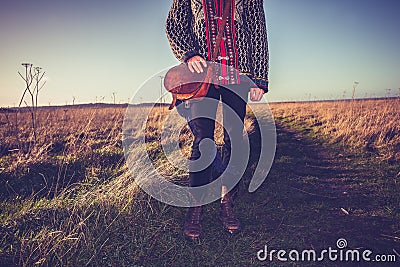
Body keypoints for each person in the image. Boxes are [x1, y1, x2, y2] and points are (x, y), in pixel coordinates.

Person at [166, 0, 269, 241]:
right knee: (203, 139)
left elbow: (258, 31)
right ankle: (196, 208)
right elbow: (175, 25)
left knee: (235, 138)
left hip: (238, 74)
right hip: (202, 75)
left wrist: (260, 78)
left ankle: (226, 202)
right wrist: (189, 54)